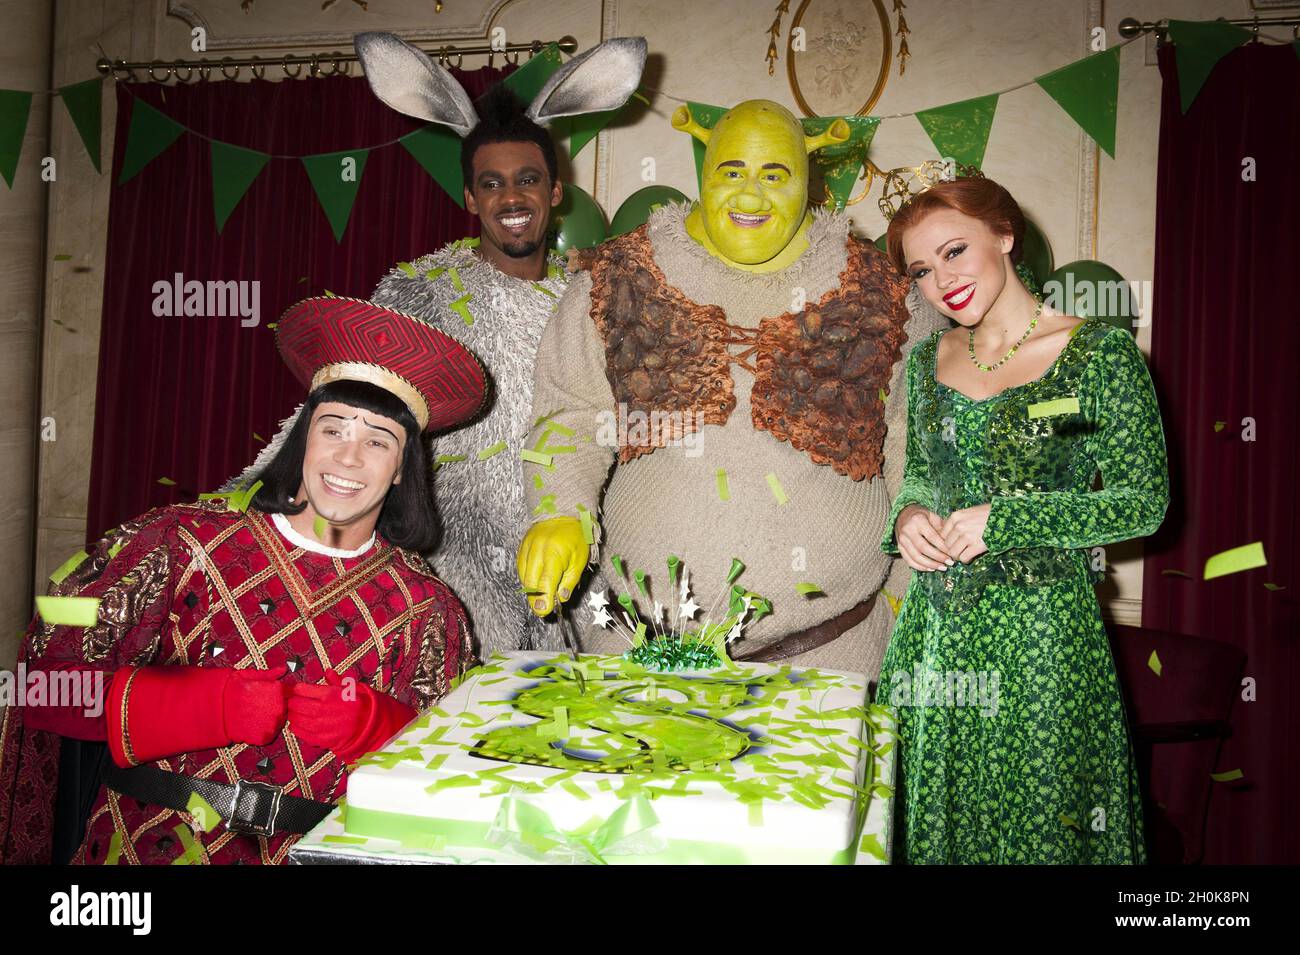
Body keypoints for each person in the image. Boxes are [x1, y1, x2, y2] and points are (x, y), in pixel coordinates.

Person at [0, 296, 485, 864]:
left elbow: (452, 775)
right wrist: (201, 703)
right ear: (302, 439)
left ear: (403, 468)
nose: (349, 458)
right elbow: (40, 687)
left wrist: (384, 727)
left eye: (378, 441)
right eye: (333, 431)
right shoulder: (179, 541)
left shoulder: (429, 610)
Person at [227, 33, 647, 657]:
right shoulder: (421, 293)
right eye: (493, 183)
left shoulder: (596, 302)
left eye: (528, 180)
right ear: (470, 197)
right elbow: (339, 404)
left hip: (581, 578)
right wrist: (238, 508)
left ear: (555, 193)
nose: (512, 198)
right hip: (455, 576)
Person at [516, 99, 948, 674]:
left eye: (775, 174)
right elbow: (571, 413)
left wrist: (904, 601)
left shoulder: (887, 298)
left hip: (831, 651)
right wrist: (558, 511)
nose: (750, 195)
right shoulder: (616, 277)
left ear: (810, 177)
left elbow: (915, 453)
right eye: (732, 171)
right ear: (703, 171)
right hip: (635, 647)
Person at [876, 165, 1169, 863]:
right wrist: (911, 514)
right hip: (936, 633)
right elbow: (920, 475)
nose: (940, 280)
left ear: (1004, 233)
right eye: (920, 270)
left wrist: (1004, 519)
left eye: (954, 250)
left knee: (1043, 827)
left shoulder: (1098, 354)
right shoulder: (925, 362)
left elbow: (1144, 502)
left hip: (1043, 640)